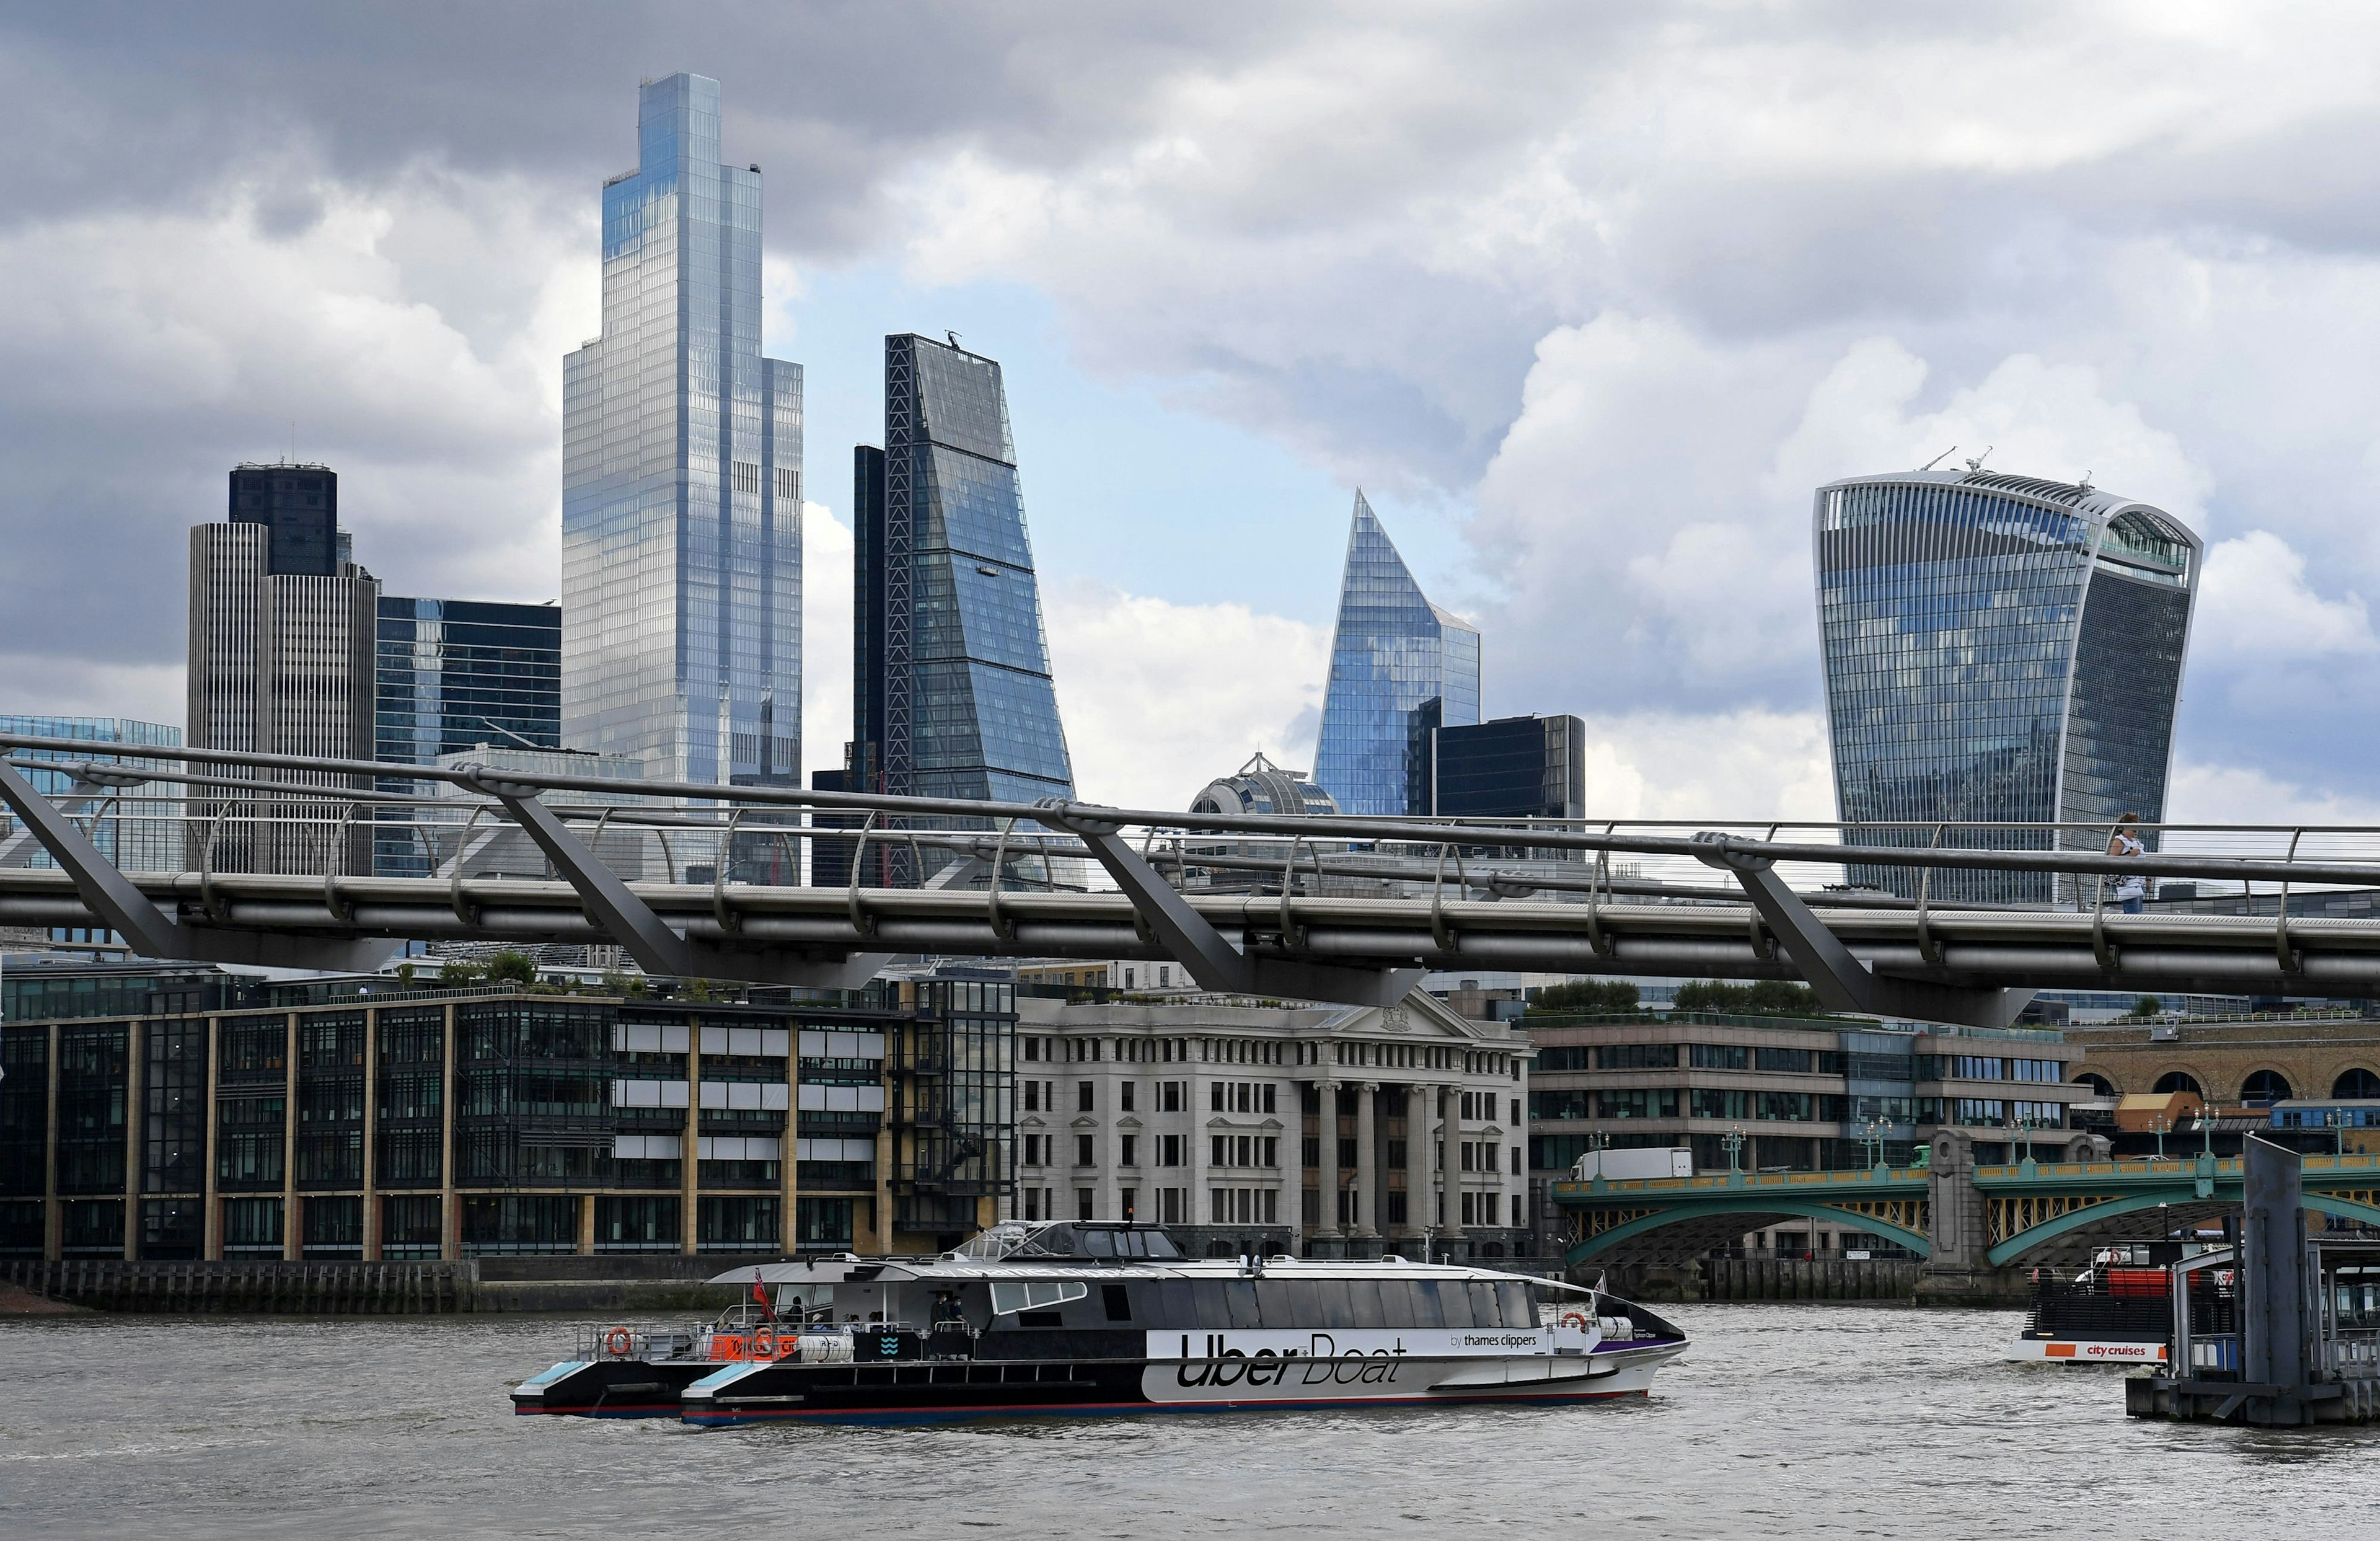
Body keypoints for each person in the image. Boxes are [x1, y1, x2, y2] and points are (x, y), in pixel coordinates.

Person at [2108, 813, 2148, 914]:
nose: (2137, 826)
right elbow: (2112, 861)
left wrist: (2148, 880)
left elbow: (2146, 863)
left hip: (2138, 882)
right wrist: (2131, 855)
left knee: (2137, 912)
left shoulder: (2137, 842)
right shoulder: (2120, 840)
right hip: (2128, 882)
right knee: (2132, 913)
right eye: (2134, 823)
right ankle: (2129, 929)